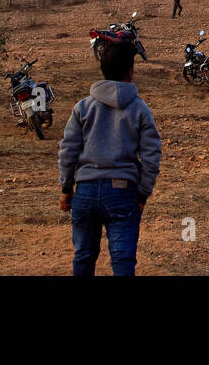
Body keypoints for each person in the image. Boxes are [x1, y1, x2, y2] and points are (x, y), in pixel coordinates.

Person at [58, 36, 162, 276]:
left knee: (83, 256)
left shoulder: (83, 107)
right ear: (131, 72)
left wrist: (66, 189)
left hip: (85, 191)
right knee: (123, 260)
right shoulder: (140, 109)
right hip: (123, 192)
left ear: (102, 70)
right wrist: (143, 193)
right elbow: (151, 155)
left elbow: (68, 151)